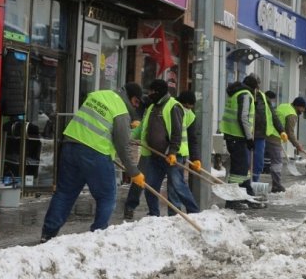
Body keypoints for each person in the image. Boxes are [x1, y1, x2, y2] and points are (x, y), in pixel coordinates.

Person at [40, 83, 145, 242]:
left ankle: (47, 234)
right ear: (130, 97)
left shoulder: (98, 95)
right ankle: (98, 235)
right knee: (107, 196)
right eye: (136, 102)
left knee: (64, 193)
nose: (136, 106)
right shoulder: (121, 111)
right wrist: (134, 172)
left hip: (70, 145)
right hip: (95, 153)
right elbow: (123, 146)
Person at [137, 79, 199, 217]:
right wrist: (131, 136)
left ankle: (194, 213)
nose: (149, 94)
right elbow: (144, 128)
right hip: (155, 155)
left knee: (177, 187)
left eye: (152, 92)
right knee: (150, 187)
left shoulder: (174, 107)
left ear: (159, 92)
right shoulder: (152, 107)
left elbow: (177, 132)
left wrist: (172, 152)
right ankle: (153, 215)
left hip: (171, 155)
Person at [220, 75, 256, 205]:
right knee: (238, 170)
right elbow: (243, 117)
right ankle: (232, 200)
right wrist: (249, 138)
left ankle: (247, 194)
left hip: (231, 135)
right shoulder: (246, 95)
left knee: (243, 167)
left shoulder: (235, 93)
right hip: (238, 137)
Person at [248, 76, 286, 183]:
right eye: (255, 84)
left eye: (258, 84)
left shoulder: (263, 98)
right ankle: (245, 184)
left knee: (258, 162)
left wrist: (281, 130)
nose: (257, 87)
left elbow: (273, 115)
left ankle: (255, 182)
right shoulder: (245, 96)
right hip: (245, 135)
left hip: (260, 135)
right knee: (246, 162)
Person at [267, 97, 305, 192]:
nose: (303, 111)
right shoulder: (292, 114)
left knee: (264, 160)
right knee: (277, 163)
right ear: (298, 106)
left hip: (266, 133)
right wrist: (297, 145)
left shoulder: (284, 105)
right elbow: (290, 132)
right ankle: (276, 186)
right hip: (274, 136)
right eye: (302, 108)